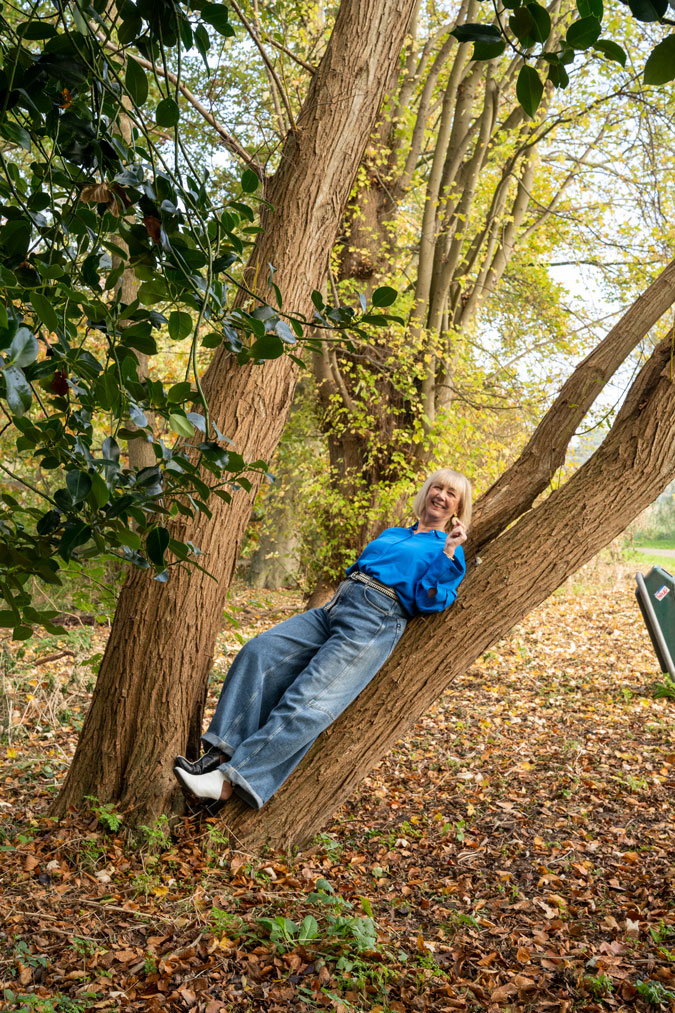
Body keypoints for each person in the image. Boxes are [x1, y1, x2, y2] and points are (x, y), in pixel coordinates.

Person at [173, 468, 471, 809]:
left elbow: (430, 600)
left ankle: (229, 781)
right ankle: (220, 753)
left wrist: (448, 550)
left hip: (375, 620)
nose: (441, 495)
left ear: (457, 510)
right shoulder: (394, 532)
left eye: (451, 494)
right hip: (335, 607)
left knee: (308, 701)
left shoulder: (447, 551)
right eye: (437, 487)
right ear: (426, 491)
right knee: (260, 652)